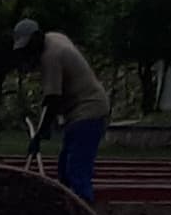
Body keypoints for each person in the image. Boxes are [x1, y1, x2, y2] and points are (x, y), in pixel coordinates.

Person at [15, 18, 110, 204]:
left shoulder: (51, 56)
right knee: (64, 171)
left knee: (76, 169)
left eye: (29, 46)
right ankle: (68, 211)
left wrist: (39, 135)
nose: (29, 52)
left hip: (89, 110)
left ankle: (84, 210)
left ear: (37, 37)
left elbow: (52, 100)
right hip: (79, 112)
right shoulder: (54, 37)